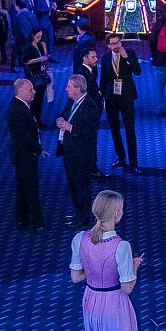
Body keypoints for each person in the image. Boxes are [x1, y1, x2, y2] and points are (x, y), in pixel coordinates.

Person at [72, 191, 141, 331]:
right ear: (117, 213)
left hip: (92, 300)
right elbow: (127, 288)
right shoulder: (121, 246)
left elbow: (76, 277)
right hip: (113, 304)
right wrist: (134, 266)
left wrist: (93, 270)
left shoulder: (80, 238)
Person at [57, 74, 103, 225]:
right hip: (70, 151)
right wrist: (60, 119)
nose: (66, 89)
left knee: (82, 186)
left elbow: (90, 133)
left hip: (82, 154)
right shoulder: (72, 101)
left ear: (78, 89)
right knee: (73, 185)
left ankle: (83, 218)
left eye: (69, 86)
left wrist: (71, 128)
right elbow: (65, 114)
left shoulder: (90, 107)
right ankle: (78, 213)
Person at [8, 78, 46, 230]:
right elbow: (24, 135)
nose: (34, 92)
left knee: (22, 185)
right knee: (30, 187)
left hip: (22, 153)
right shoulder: (17, 110)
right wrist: (39, 149)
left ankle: (22, 216)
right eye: (30, 90)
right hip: (24, 155)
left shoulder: (21, 106)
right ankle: (37, 222)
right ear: (21, 91)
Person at [101, 38, 141, 172]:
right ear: (108, 46)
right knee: (114, 129)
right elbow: (103, 79)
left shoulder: (130, 53)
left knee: (130, 129)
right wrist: (102, 97)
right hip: (111, 98)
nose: (116, 45)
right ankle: (121, 158)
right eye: (113, 43)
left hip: (127, 96)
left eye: (118, 42)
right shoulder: (105, 58)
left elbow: (138, 71)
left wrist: (127, 58)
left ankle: (134, 163)